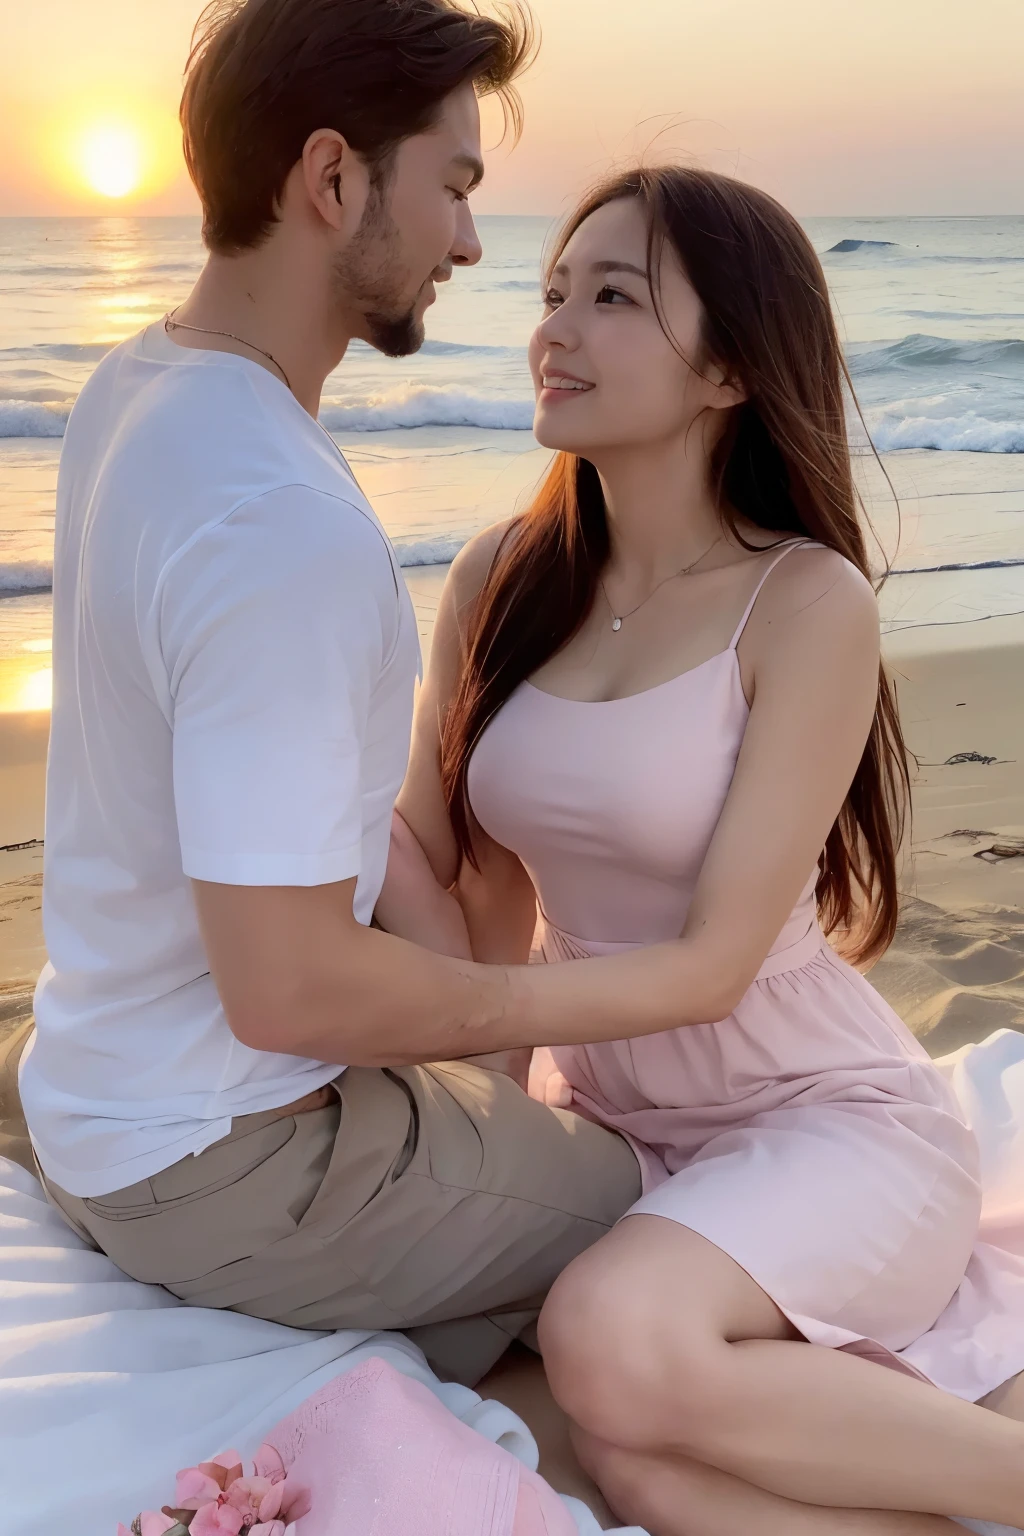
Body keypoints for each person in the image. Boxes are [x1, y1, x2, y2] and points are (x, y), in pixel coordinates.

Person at [15, 0, 693, 1391]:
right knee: (667, 1227)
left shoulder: (134, 388)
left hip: (92, 1087)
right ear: (331, 180)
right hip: (215, 1162)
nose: (469, 243)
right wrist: (593, 1006)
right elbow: (289, 987)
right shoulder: (279, 518)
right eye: (452, 186)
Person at [381, 165, 1024, 1532]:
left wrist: (473, 1007)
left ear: (731, 364)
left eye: (612, 297)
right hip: (608, 1128)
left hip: (824, 1124)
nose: (554, 327)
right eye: (552, 291)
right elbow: (427, 861)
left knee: (610, 1344)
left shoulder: (806, 602)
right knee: (625, 1457)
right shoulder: (500, 574)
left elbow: (716, 964)